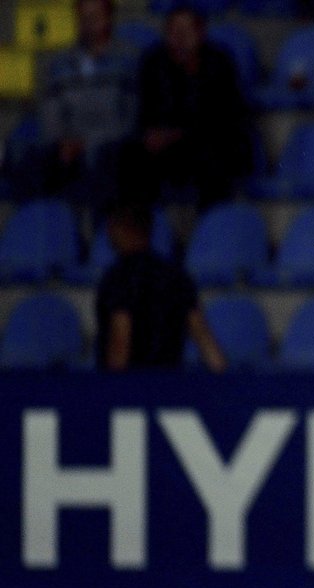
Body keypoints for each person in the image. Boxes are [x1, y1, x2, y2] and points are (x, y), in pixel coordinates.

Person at [131, 5, 252, 208]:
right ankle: (144, 230)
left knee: (215, 157)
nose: (180, 39)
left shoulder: (219, 62)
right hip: (166, 149)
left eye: (187, 31)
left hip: (208, 143)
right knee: (130, 156)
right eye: (174, 32)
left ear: (201, 33)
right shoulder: (154, 62)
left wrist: (178, 134)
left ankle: (210, 227)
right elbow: (146, 113)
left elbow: (226, 119)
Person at [95, 203, 226, 372]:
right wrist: (223, 378)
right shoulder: (176, 275)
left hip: (131, 387)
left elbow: (121, 338)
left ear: (120, 228)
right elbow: (201, 333)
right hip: (169, 387)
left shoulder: (118, 278)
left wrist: (114, 389)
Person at [36, 0, 138, 212]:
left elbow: (131, 120)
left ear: (109, 18)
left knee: (116, 159)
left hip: (111, 147)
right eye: (83, 18)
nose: (88, 23)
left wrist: (88, 143)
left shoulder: (129, 60)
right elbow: (50, 113)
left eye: (95, 17)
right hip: (68, 147)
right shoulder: (59, 64)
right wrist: (62, 141)